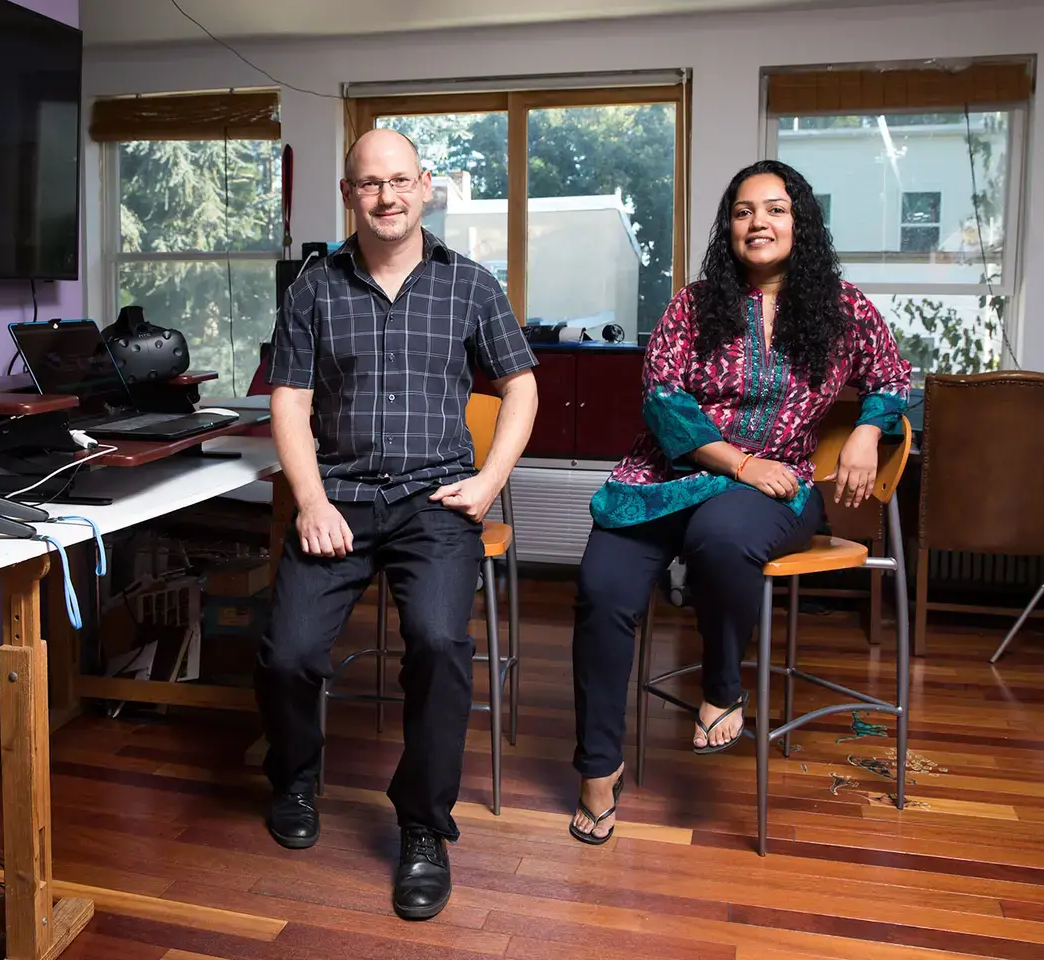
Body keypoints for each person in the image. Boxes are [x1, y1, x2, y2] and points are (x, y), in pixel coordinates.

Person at [567, 160, 911, 845]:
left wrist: (868, 429)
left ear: (801, 222)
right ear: (729, 228)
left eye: (775, 209)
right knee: (602, 589)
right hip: (666, 477)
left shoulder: (845, 308)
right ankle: (598, 769)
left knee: (722, 539)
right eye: (744, 211)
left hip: (780, 485)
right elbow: (662, 398)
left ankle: (723, 685)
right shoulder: (692, 304)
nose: (759, 222)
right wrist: (737, 463)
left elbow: (897, 377)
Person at [256, 128, 538, 920]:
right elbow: (290, 400)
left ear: (426, 188)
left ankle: (422, 825)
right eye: (370, 184)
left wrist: (490, 480)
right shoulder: (315, 286)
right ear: (350, 195)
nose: (387, 196)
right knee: (288, 654)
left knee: (441, 644)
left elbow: (520, 388)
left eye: (401, 181)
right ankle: (297, 779)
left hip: (433, 500)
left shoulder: (471, 285)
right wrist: (310, 501)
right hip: (339, 494)